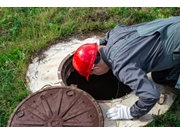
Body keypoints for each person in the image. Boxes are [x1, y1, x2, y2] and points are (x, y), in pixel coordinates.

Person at [72, 16, 180, 120]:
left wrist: (131, 112)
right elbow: (115, 29)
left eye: (92, 74)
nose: (94, 75)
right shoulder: (115, 35)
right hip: (174, 24)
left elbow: (151, 95)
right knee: (161, 77)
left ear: (95, 68)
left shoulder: (122, 67)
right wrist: (101, 41)